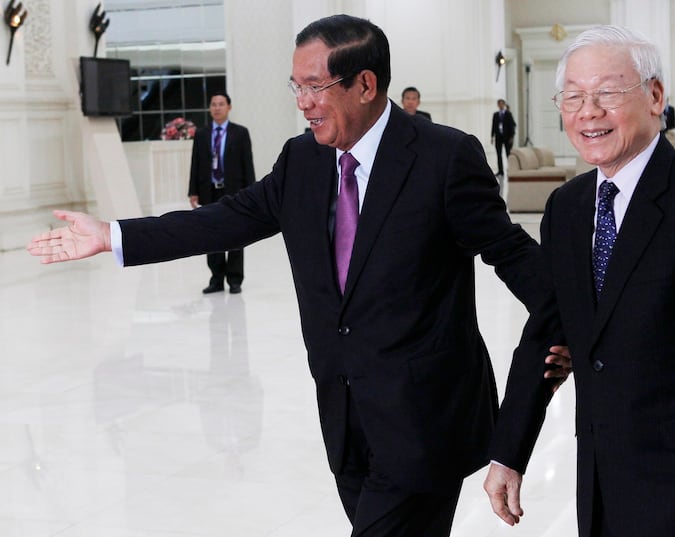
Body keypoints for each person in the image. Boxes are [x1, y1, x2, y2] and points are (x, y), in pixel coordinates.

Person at [29, 14, 571, 537]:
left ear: (364, 84)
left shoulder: (443, 158)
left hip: (425, 422)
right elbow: (224, 221)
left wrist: (574, 333)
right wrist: (113, 235)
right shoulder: (301, 161)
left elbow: (516, 258)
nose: (303, 103)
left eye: (315, 86)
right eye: (296, 86)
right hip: (343, 416)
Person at [484, 25, 675, 537]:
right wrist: (509, 451)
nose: (588, 112)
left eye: (607, 94)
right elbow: (547, 333)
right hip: (600, 487)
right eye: (574, 97)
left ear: (654, 96)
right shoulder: (568, 207)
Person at [188, 91, 256, 294]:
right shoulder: (201, 134)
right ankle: (216, 279)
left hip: (234, 191)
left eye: (221, 104)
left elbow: (247, 164)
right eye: (213, 104)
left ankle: (235, 279)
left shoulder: (240, 133)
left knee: (236, 233)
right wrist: (193, 191)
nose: (217, 108)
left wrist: (251, 192)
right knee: (211, 235)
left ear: (229, 107)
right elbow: (195, 163)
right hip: (209, 192)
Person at [490, 99, 516, 177]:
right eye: (499, 104)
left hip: (507, 137)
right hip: (498, 137)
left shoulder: (508, 114)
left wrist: (511, 136)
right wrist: (492, 136)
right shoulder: (495, 115)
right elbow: (493, 126)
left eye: (502, 104)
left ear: (504, 105)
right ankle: (501, 171)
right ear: (498, 105)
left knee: (508, 153)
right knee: (499, 154)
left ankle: (510, 169)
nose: (501, 105)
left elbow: (512, 126)